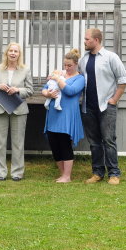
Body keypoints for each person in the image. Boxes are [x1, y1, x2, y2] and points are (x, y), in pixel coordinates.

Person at [79, 28, 126, 185]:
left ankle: (114, 174)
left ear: (96, 40)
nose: (85, 42)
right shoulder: (83, 60)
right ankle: (97, 173)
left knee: (108, 140)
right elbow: (77, 79)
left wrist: (114, 100)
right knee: (94, 142)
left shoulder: (110, 57)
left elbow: (123, 79)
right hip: (88, 107)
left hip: (106, 107)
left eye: (87, 39)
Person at [0, 42, 33, 181]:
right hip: (0, 109)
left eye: (16, 51)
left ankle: (17, 173)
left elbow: (30, 90)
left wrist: (18, 90)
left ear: (19, 55)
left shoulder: (25, 70)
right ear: (6, 53)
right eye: (11, 51)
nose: (13, 53)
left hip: (19, 110)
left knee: (18, 143)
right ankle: (0, 172)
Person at [41, 49, 85, 183]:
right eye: (65, 65)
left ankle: (67, 176)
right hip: (53, 115)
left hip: (67, 116)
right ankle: (62, 174)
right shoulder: (59, 74)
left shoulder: (80, 78)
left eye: (69, 65)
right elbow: (44, 88)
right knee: (54, 144)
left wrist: (58, 79)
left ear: (76, 64)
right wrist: (47, 94)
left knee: (65, 144)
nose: (66, 68)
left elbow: (70, 91)